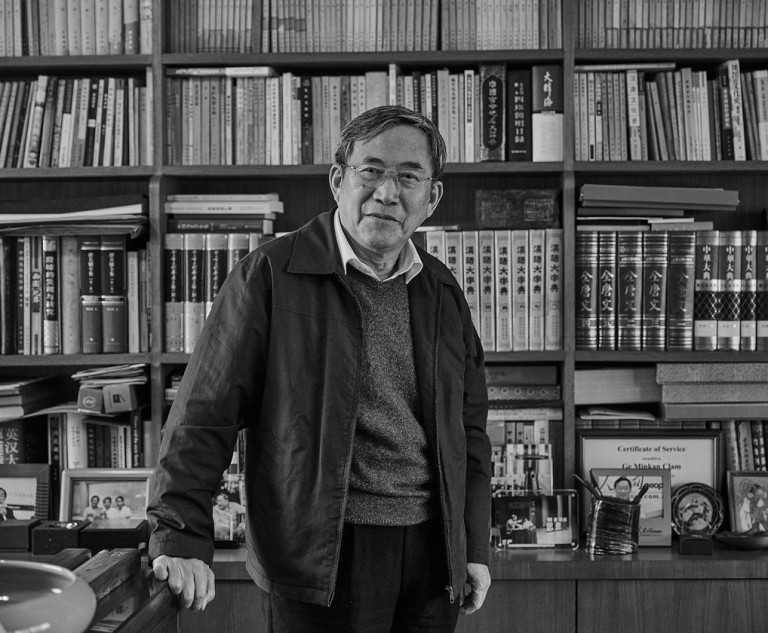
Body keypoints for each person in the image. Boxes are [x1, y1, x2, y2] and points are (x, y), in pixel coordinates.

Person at [147, 104, 492, 632]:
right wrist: (179, 536)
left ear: (432, 197)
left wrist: (472, 546)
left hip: (432, 556)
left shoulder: (441, 290)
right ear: (337, 180)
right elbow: (203, 415)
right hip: (320, 556)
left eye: (409, 177)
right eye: (371, 170)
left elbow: (469, 430)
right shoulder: (270, 275)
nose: (387, 192)